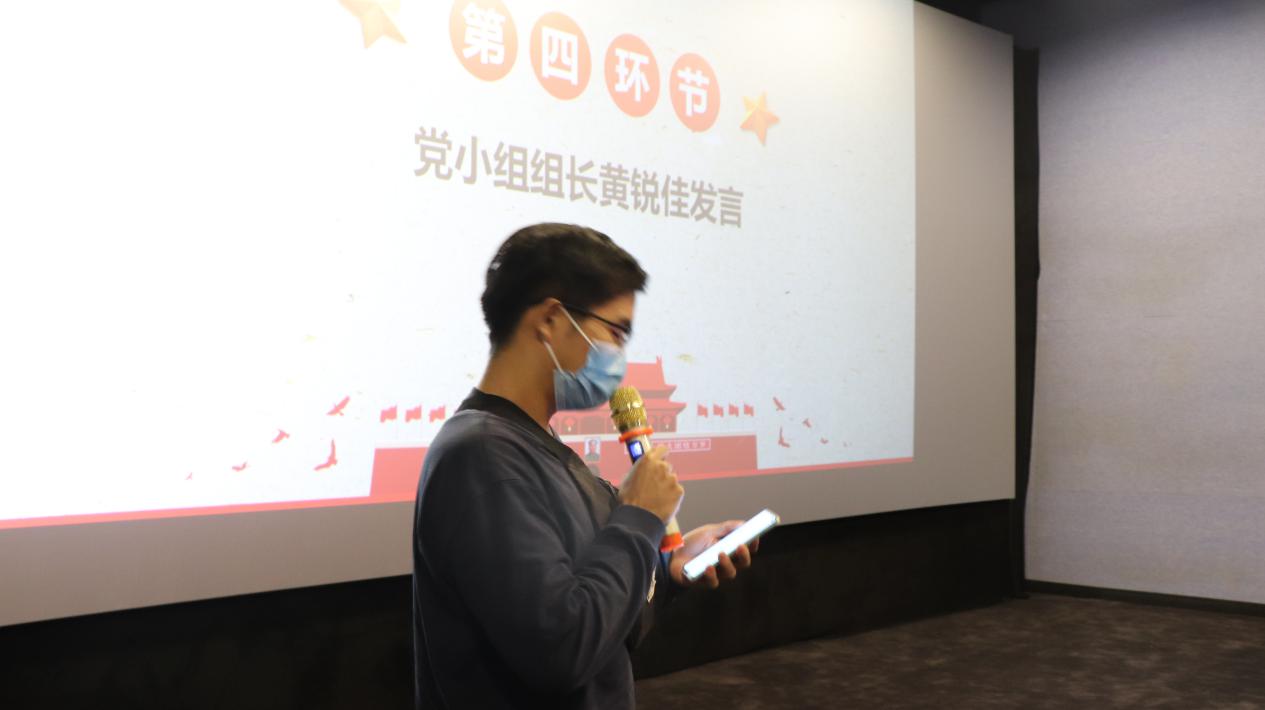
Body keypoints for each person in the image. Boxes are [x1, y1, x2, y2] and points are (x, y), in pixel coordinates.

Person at [412, 223, 758, 709]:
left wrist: (668, 566)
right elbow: (561, 649)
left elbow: (602, 619)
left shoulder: (536, 446)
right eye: (615, 332)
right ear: (551, 319)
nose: (619, 356)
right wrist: (638, 517)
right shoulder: (480, 457)